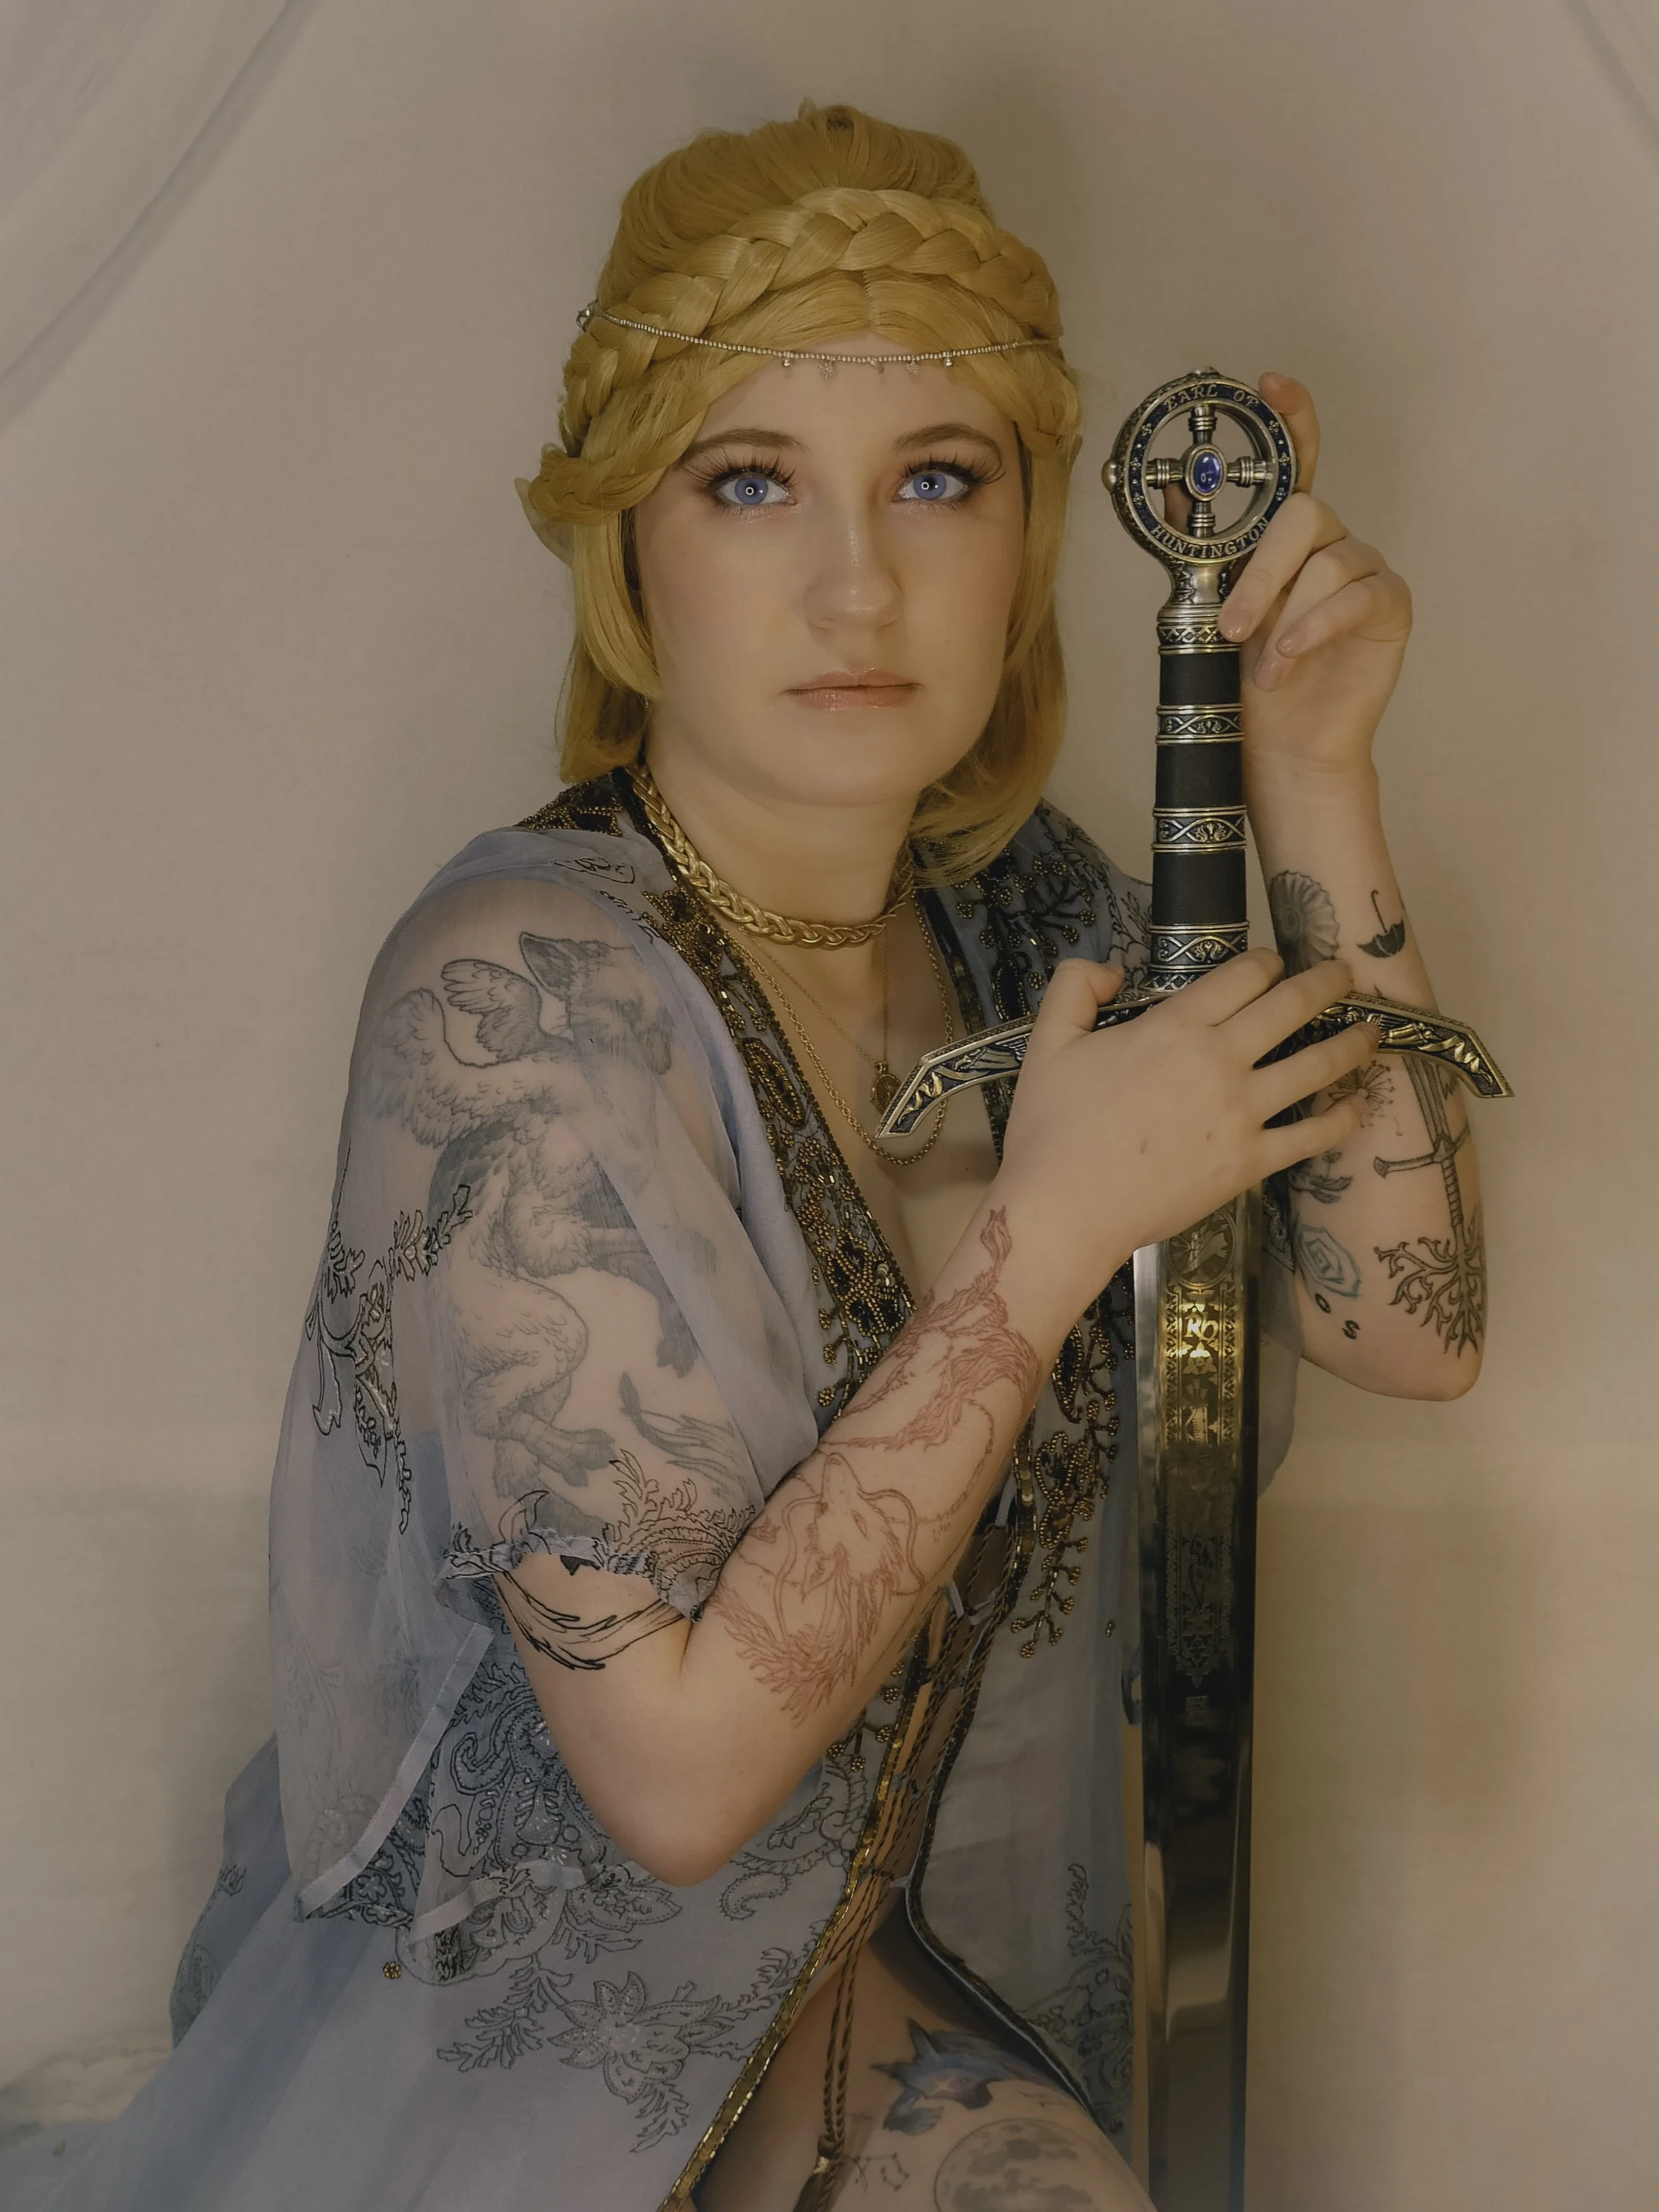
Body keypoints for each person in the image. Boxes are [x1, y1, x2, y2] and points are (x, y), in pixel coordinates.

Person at [1, 99, 1484, 2212]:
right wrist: (1048, 1229)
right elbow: (682, 1779)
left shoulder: (1033, 919)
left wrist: (1312, 768)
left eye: (937, 480)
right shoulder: (515, 996)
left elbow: (1404, 1321)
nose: (856, 582)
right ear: (630, 543)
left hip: (932, 2002)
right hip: (570, 2083)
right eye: (752, 479)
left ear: (1028, 528)